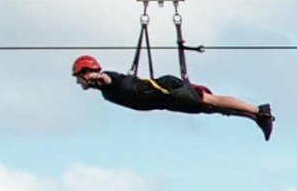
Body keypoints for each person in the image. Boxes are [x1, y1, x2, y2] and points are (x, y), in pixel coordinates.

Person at [72, 55, 274, 140]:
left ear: (86, 74)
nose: (77, 82)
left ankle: (259, 111)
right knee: (211, 109)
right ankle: (255, 117)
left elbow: (107, 78)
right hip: (164, 101)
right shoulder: (105, 91)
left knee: (210, 101)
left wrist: (97, 76)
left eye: (79, 77)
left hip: (167, 89)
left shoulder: (109, 81)